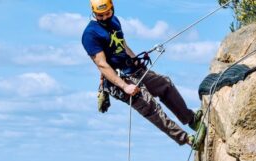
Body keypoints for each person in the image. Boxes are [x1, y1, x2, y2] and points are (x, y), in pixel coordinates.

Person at [82, 0, 206, 151]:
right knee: (150, 107)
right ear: (94, 13)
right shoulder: (90, 34)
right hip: (119, 80)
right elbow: (102, 64)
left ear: (112, 9)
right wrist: (124, 86)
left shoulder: (114, 21)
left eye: (107, 13)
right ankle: (187, 139)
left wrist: (136, 61)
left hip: (132, 69)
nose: (105, 18)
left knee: (164, 84)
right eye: (100, 15)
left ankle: (191, 119)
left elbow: (123, 45)